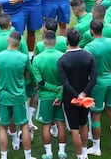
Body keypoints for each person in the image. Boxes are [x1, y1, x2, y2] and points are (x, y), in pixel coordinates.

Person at [84, 20, 111, 154]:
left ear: (91, 30)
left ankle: (96, 148)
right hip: (110, 80)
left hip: (97, 83)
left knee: (95, 115)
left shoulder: (89, 47)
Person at [0, 14, 29, 150]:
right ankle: (25, 152)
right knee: (24, 123)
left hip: (3, 89)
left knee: (3, 125)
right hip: (18, 89)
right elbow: (26, 67)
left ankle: (12, 144)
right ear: (10, 24)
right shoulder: (21, 40)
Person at [0, 31, 36, 159]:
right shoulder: (23, 58)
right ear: (19, 43)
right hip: (18, 96)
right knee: (24, 125)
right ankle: (28, 156)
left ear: (8, 40)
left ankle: (3, 156)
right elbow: (30, 73)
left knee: (3, 127)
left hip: (3, 96)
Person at [58, 28, 96, 159]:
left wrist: (77, 96)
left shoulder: (62, 60)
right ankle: (84, 153)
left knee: (74, 128)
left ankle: (80, 156)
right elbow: (93, 79)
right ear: (80, 39)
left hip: (70, 99)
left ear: (67, 41)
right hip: (85, 98)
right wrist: (83, 94)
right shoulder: (89, 56)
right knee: (84, 123)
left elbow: (65, 84)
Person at [32, 30, 67, 159]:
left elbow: (39, 82)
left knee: (46, 125)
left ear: (43, 41)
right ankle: (62, 152)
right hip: (60, 96)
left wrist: (51, 88)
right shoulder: (63, 57)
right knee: (60, 123)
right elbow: (66, 80)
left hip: (45, 97)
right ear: (55, 42)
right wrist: (59, 92)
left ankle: (48, 153)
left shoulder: (37, 59)